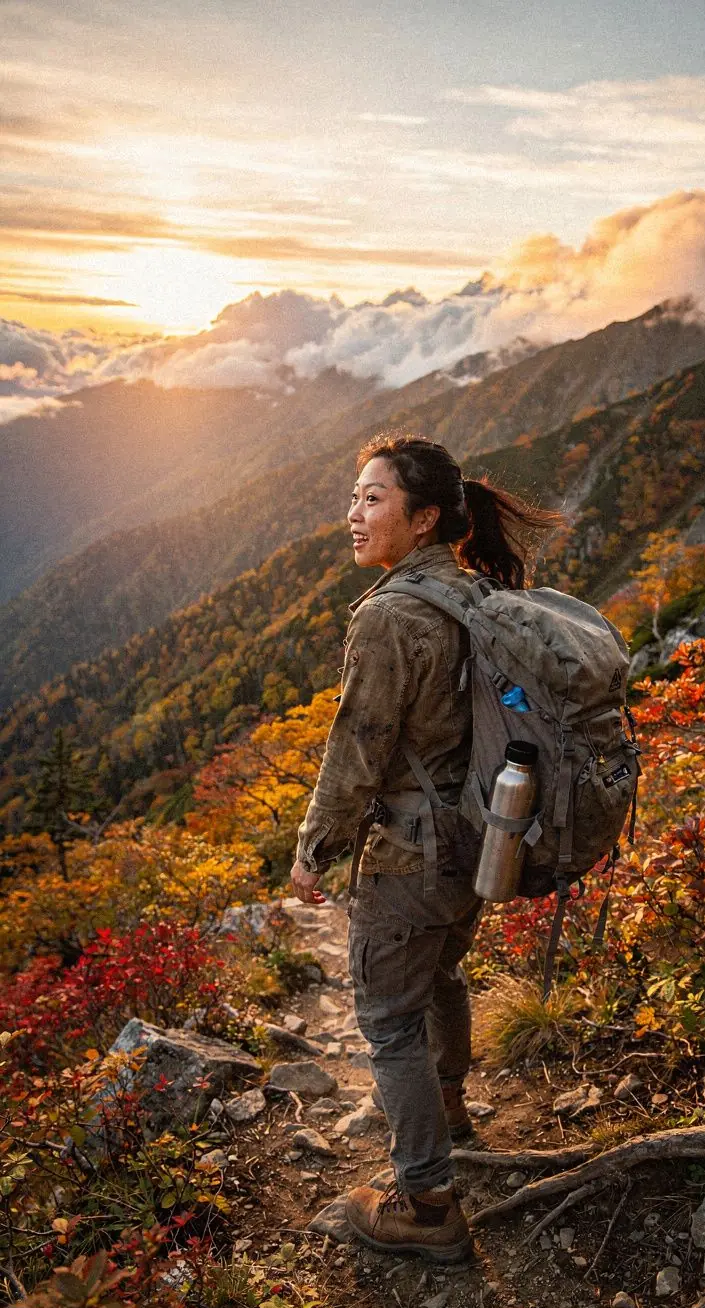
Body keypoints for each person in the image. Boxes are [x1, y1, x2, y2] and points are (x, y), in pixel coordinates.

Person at [290, 433, 558, 1262]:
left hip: (410, 854)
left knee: (386, 1019)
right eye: (355, 495)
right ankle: (449, 1106)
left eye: (373, 499)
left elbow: (357, 749)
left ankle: (428, 1201)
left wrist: (313, 849)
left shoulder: (393, 616)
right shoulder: (471, 592)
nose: (353, 514)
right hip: (482, 842)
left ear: (426, 518)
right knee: (440, 972)